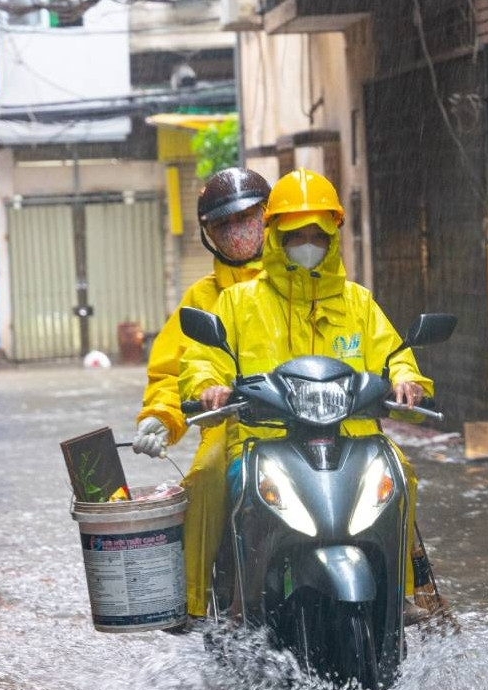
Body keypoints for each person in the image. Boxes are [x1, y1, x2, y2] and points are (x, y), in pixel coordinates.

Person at [179, 167, 450, 624]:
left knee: (403, 473)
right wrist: (209, 387)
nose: (308, 244)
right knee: (212, 475)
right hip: (263, 439)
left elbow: (394, 356)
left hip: (354, 437)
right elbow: (205, 358)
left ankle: (400, 594)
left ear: (334, 238)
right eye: (296, 234)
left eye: (318, 234)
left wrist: (407, 382)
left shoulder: (359, 302)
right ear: (276, 237)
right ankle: (216, 603)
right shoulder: (238, 302)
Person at [132, 167, 271, 620]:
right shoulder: (202, 297)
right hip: (233, 426)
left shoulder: (308, 282)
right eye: (222, 225)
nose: (237, 232)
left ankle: (414, 585)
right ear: (209, 235)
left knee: (388, 469)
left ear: (269, 217)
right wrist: (161, 417)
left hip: (319, 420)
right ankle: (192, 603)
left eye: (246, 217)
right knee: (208, 477)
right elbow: (173, 370)